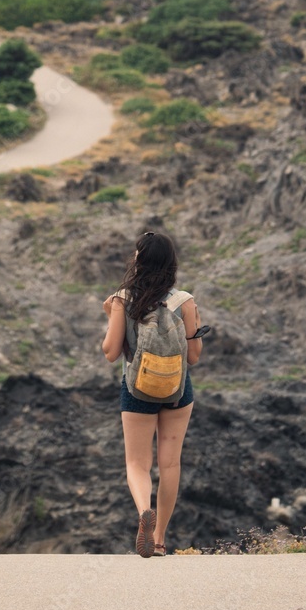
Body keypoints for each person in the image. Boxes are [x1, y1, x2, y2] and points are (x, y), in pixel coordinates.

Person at [102, 231, 204, 558]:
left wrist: (111, 315)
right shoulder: (184, 301)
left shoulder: (123, 299)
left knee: (137, 462)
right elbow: (194, 356)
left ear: (139, 260)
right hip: (176, 390)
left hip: (137, 390)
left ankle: (145, 510)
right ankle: (159, 540)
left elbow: (110, 352)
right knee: (170, 464)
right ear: (171, 263)